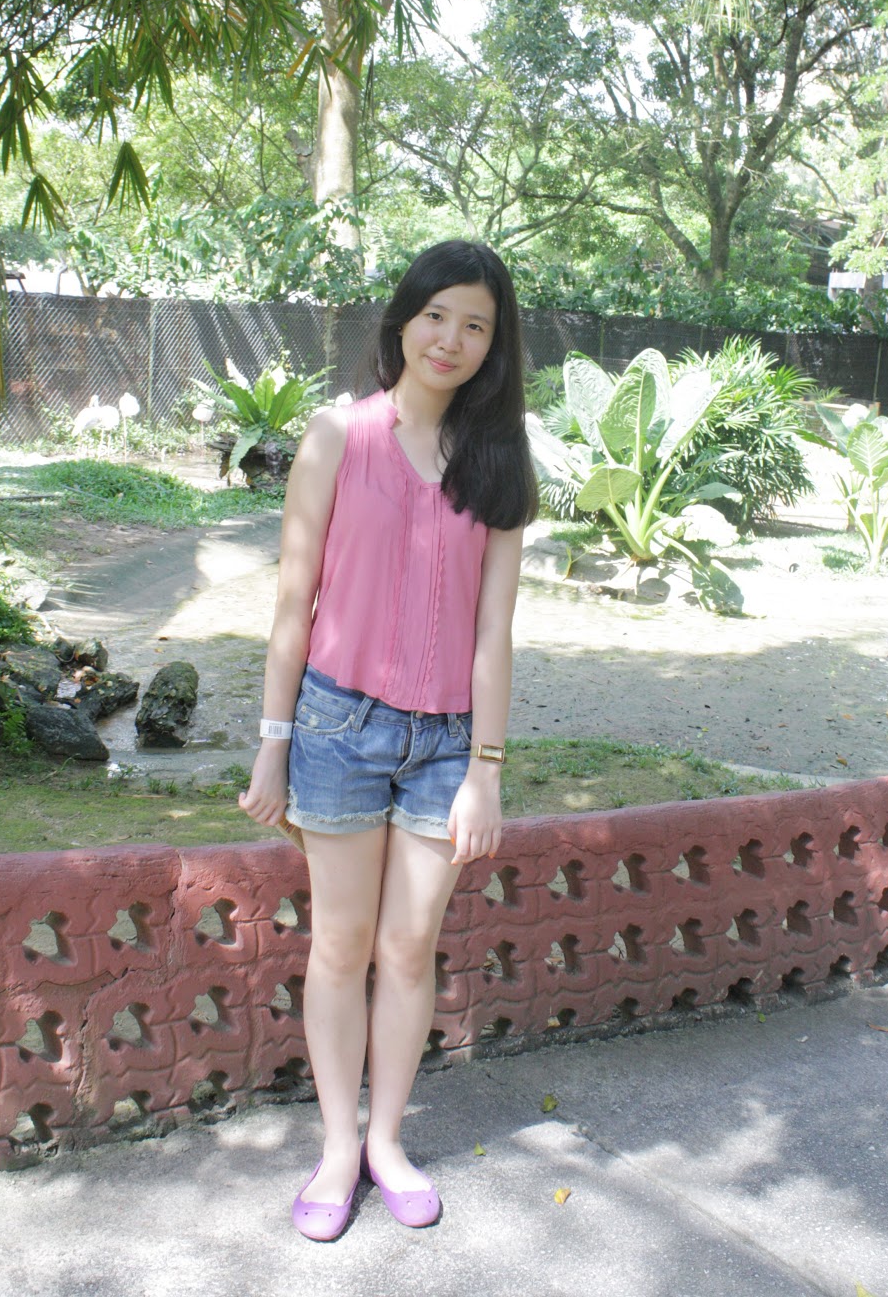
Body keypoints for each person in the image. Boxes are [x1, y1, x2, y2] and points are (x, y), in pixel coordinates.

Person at [239, 239, 538, 1241]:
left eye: (475, 325)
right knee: (340, 943)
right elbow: (293, 602)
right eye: (436, 314)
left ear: (494, 346)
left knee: (409, 947)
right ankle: (336, 1147)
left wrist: (486, 772)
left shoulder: (498, 461)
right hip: (335, 726)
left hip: (447, 744)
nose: (450, 339)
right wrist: (272, 742)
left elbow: (492, 631)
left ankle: (387, 1143)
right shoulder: (338, 437)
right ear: (403, 320)